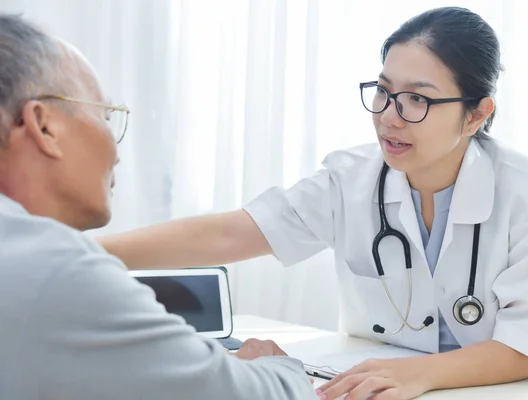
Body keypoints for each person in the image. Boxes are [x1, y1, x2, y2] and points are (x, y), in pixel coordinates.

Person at [100, 6, 528, 400]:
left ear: (476, 114)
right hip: (372, 386)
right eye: (385, 92)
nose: (390, 118)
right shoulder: (351, 178)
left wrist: (422, 375)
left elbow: (526, 348)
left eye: (417, 100)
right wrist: (85, 253)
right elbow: (235, 232)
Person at [0, 14, 316, 400]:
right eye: (106, 115)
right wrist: (279, 365)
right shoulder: (54, 270)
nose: (116, 154)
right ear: (43, 125)